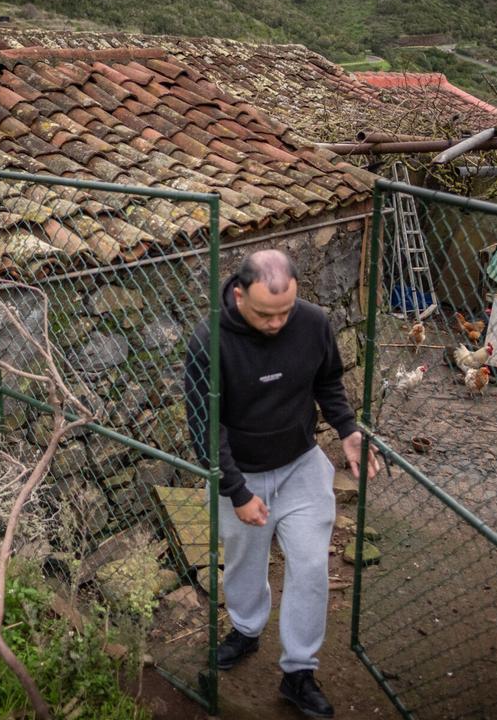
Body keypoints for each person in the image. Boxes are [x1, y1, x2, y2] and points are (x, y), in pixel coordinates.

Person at [184, 248, 381, 718]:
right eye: (265, 314)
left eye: (285, 312)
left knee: (311, 565)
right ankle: (246, 629)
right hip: (241, 470)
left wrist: (348, 430)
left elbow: (328, 382)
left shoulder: (312, 322)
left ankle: (299, 672)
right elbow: (205, 425)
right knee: (244, 561)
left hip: (300, 465)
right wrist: (237, 491)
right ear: (238, 296)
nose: (276, 324)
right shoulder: (209, 340)